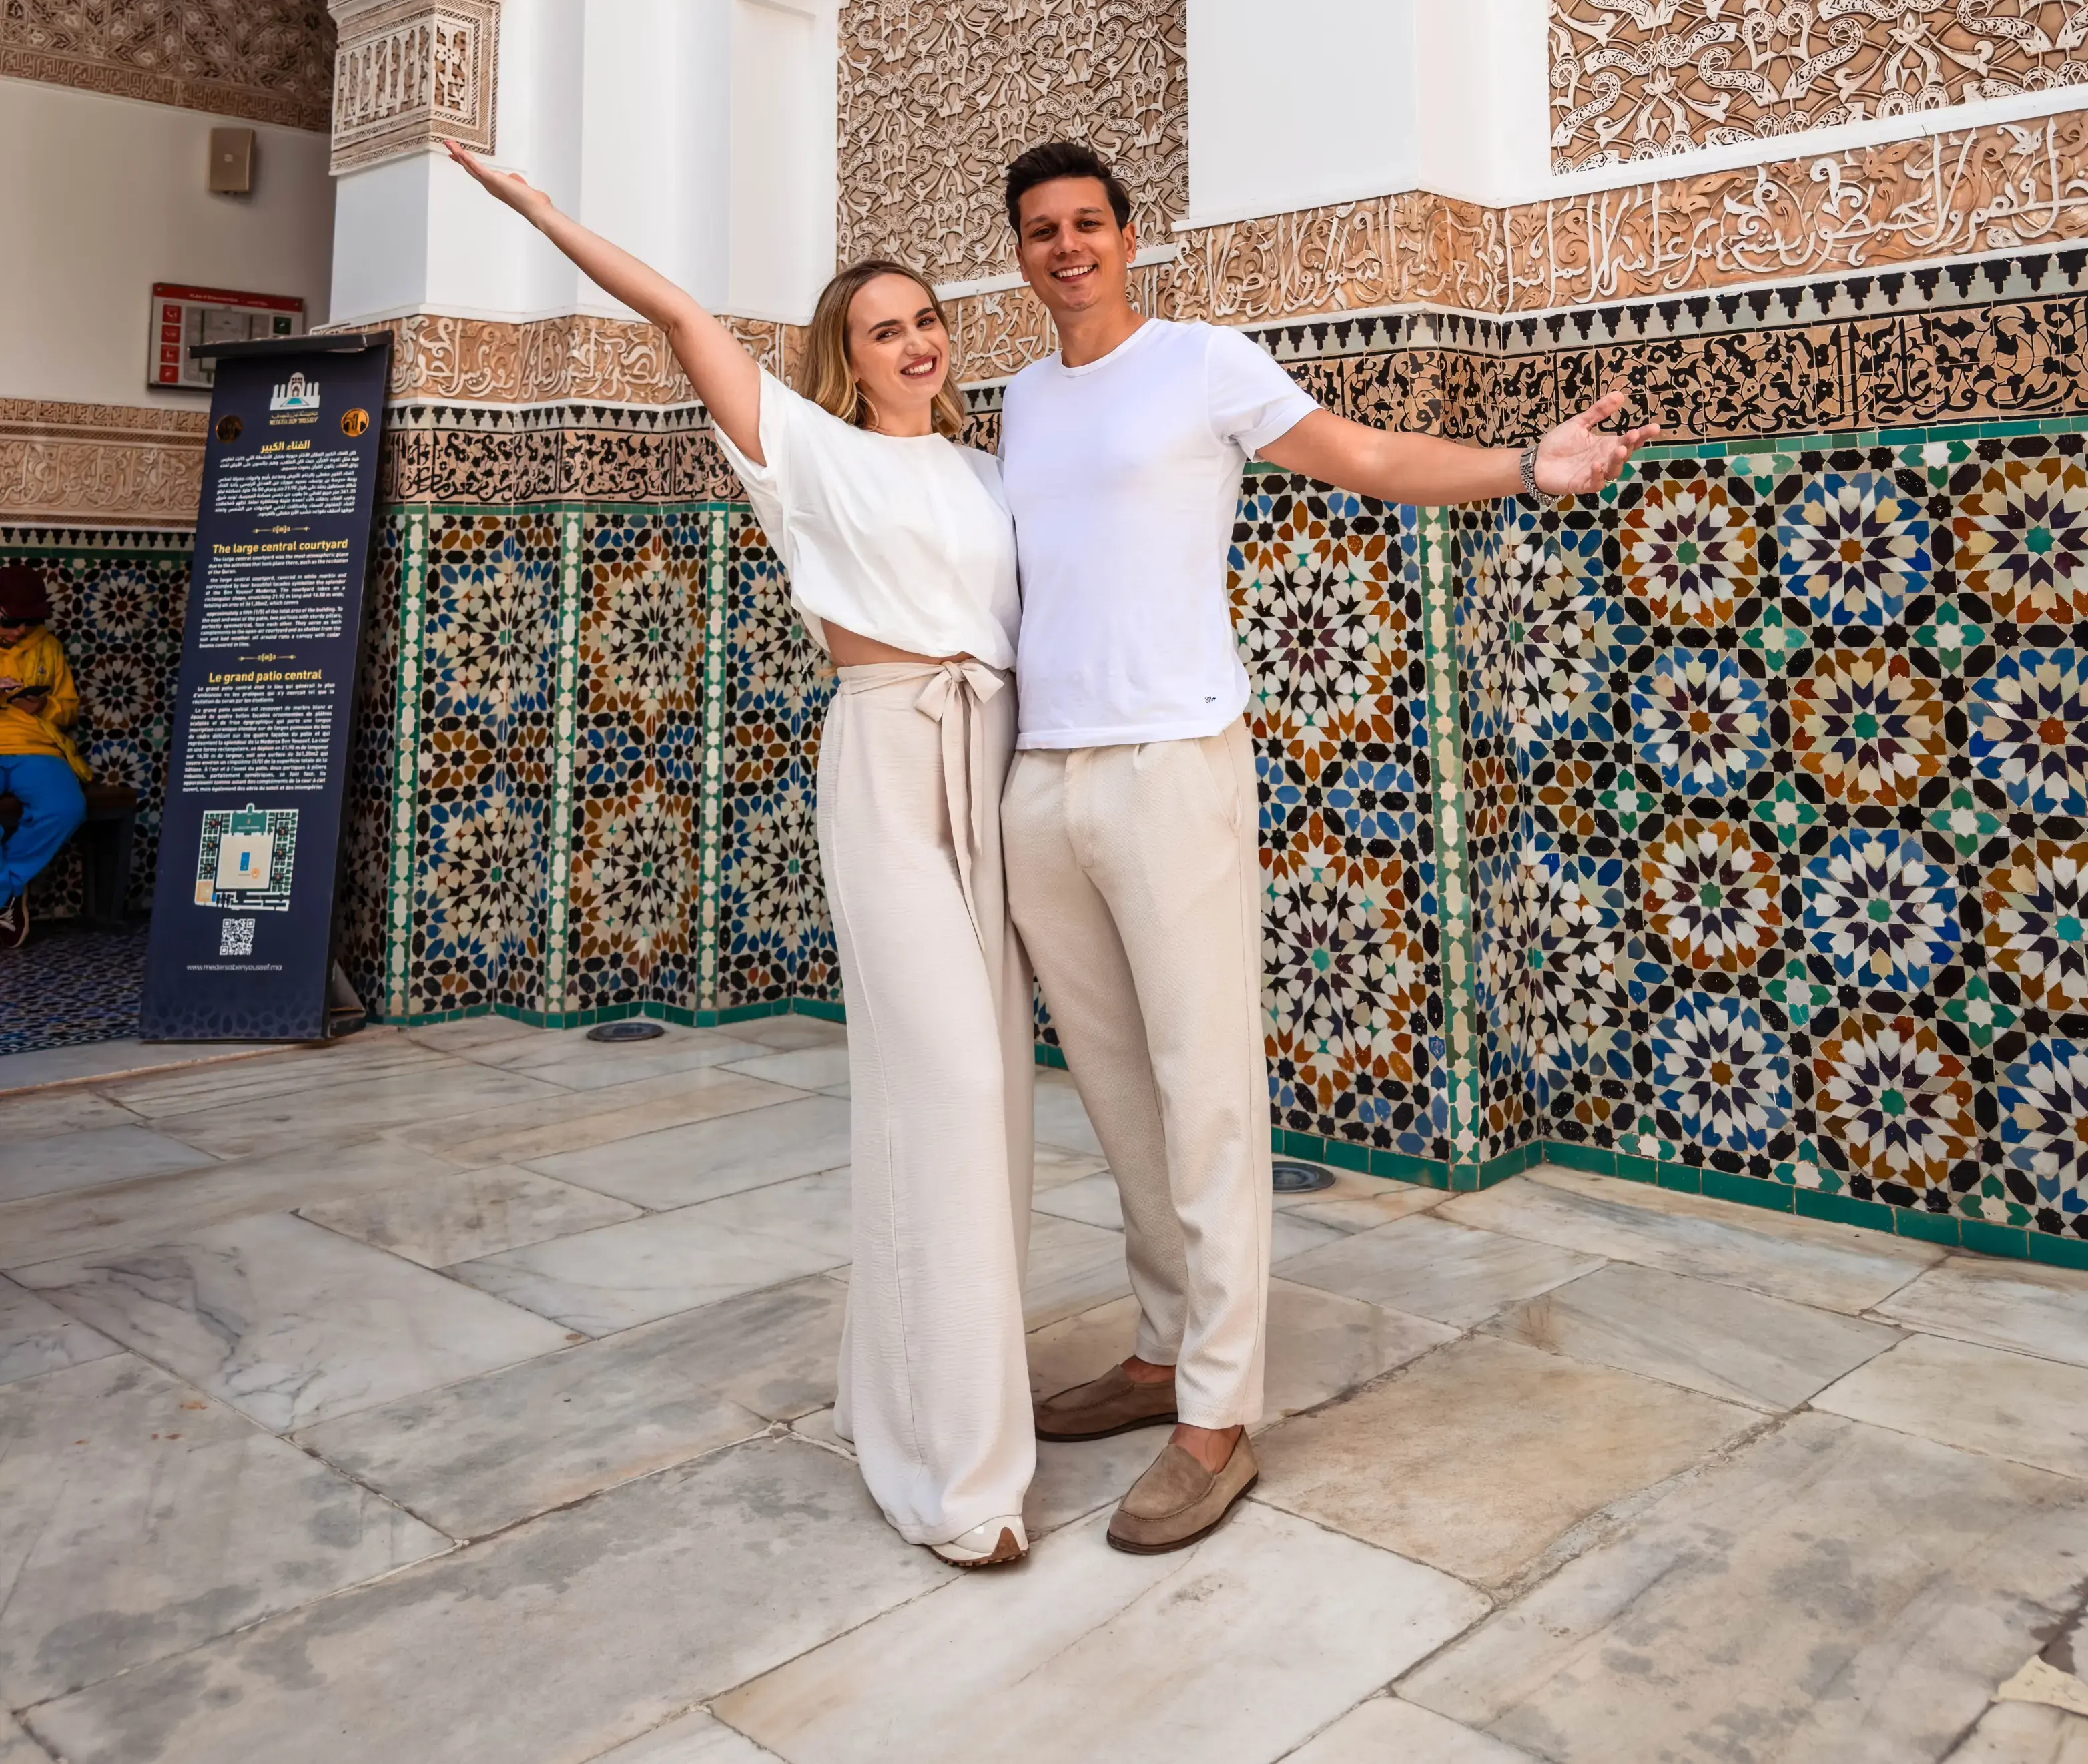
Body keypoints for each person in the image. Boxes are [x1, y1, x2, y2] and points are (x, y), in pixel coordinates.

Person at [996, 138, 1660, 1557]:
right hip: (1040, 780)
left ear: (1129, 236)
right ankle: (1164, 1342)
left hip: (1173, 762)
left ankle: (1217, 1415)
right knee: (1112, 1089)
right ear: (1020, 252)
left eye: (1089, 225)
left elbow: (1359, 455)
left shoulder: (1203, 361)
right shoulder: (1020, 400)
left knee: (1206, 1087)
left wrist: (1527, 469)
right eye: (1042, 230)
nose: (1068, 248)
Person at [443, 142, 1035, 1570]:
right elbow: (685, 320)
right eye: (883, 325)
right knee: (941, 1087)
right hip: (891, 755)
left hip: (997, 756)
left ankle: (921, 1405)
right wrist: (536, 209)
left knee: (998, 1099)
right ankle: (956, 1477)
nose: (914, 339)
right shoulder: (800, 449)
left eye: (926, 318)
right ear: (846, 353)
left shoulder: (988, 468)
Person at [0, 563, 92, 951]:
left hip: (35, 745)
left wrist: (44, 707)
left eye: (30, 621)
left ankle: (5, 885)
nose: (21, 630)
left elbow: (70, 707)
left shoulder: (47, 647)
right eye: (11, 621)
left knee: (67, 807)